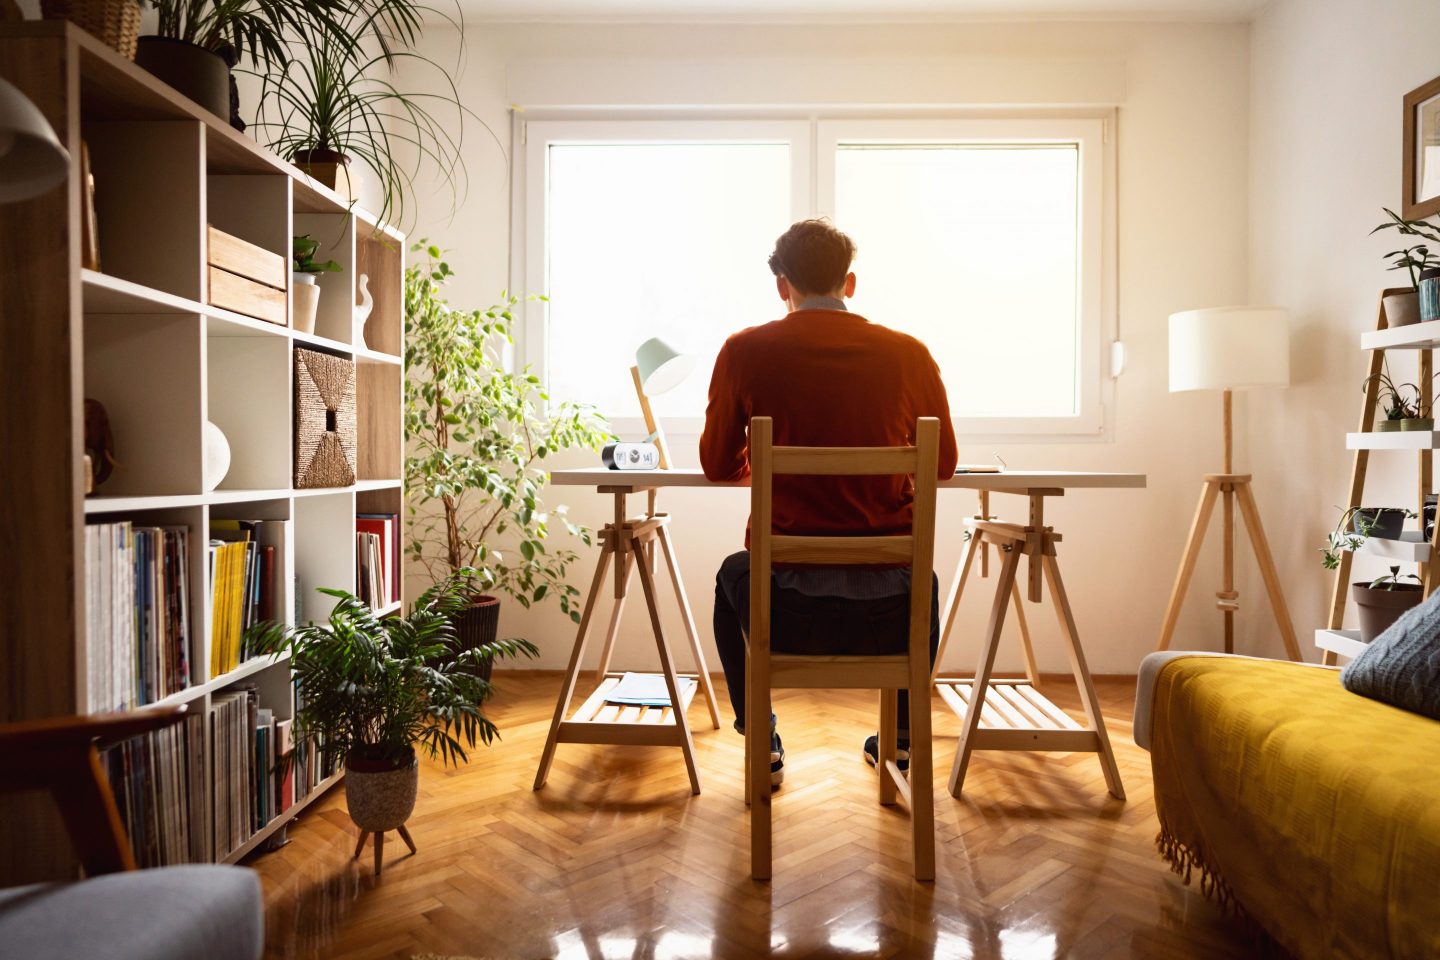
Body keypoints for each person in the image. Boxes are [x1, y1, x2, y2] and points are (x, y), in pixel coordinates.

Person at [700, 218, 959, 788]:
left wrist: (763, 465)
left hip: (784, 608)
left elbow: (717, 465)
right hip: (887, 613)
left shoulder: (744, 351)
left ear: (781, 285)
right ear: (851, 283)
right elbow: (942, 464)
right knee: (927, 579)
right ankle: (901, 738)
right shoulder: (909, 354)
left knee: (728, 577)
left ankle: (760, 737)